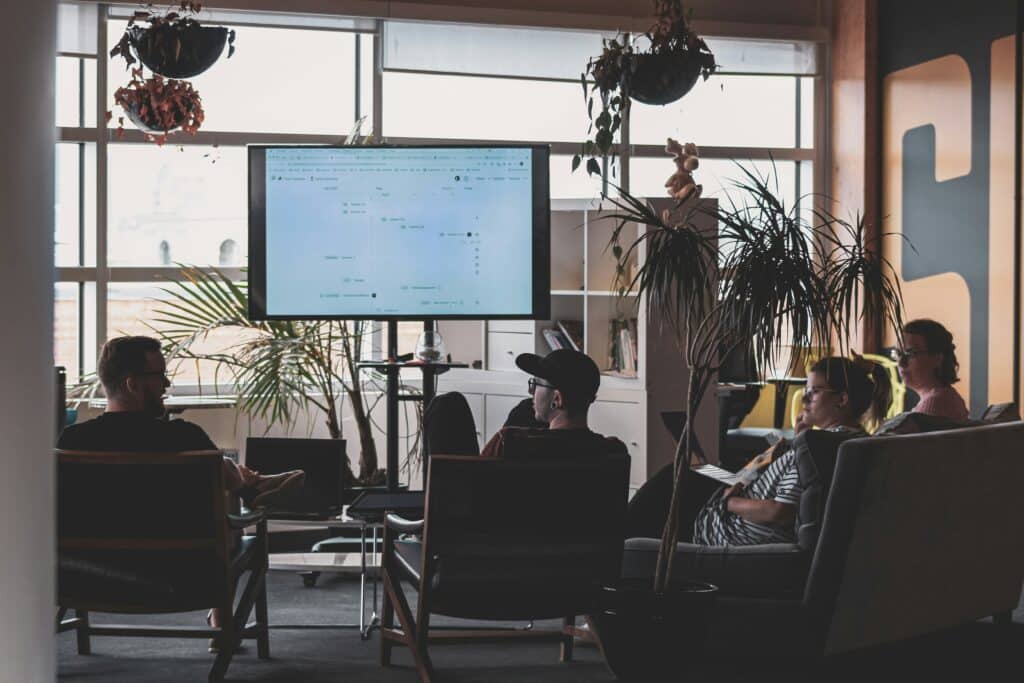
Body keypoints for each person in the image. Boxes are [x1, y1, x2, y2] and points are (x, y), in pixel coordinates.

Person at [626, 355, 891, 545]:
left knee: (668, 485)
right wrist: (797, 441)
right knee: (692, 469)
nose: (806, 399)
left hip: (726, 523)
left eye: (815, 391)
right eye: (807, 391)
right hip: (738, 488)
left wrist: (729, 502)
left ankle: (614, 560)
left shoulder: (816, 447)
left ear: (842, 399)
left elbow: (780, 513)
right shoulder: (848, 440)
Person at [58, 336, 305, 509]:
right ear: (133, 385)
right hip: (178, 564)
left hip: (91, 563)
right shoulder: (183, 437)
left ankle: (253, 485)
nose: (166, 385)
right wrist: (239, 478)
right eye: (159, 377)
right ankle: (254, 487)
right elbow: (224, 479)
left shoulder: (72, 440)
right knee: (233, 480)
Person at [424, 348, 627, 460]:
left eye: (535, 385)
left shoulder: (509, 443)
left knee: (447, 406)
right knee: (527, 409)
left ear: (557, 399)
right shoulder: (613, 452)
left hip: (495, 535)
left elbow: (474, 489)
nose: (531, 392)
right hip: (581, 537)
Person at [894, 318, 969, 421]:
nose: (901, 362)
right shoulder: (944, 396)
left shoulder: (936, 403)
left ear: (937, 358)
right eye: (898, 354)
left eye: (910, 353)